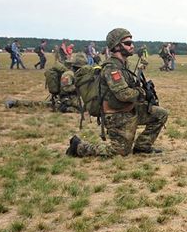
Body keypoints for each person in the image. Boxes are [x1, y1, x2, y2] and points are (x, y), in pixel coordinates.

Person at [67, 28, 168, 157]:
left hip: (130, 110)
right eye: (128, 43)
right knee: (119, 152)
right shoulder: (111, 68)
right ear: (117, 46)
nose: (132, 46)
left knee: (160, 114)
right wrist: (140, 92)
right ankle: (79, 147)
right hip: (117, 116)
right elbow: (124, 94)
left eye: (131, 42)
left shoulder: (124, 65)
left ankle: (143, 146)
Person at [5, 52, 87, 112]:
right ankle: (14, 102)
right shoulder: (68, 74)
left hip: (71, 98)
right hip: (65, 99)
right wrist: (78, 86)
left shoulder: (74, 74)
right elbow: (65, 89)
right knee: (41, 104)